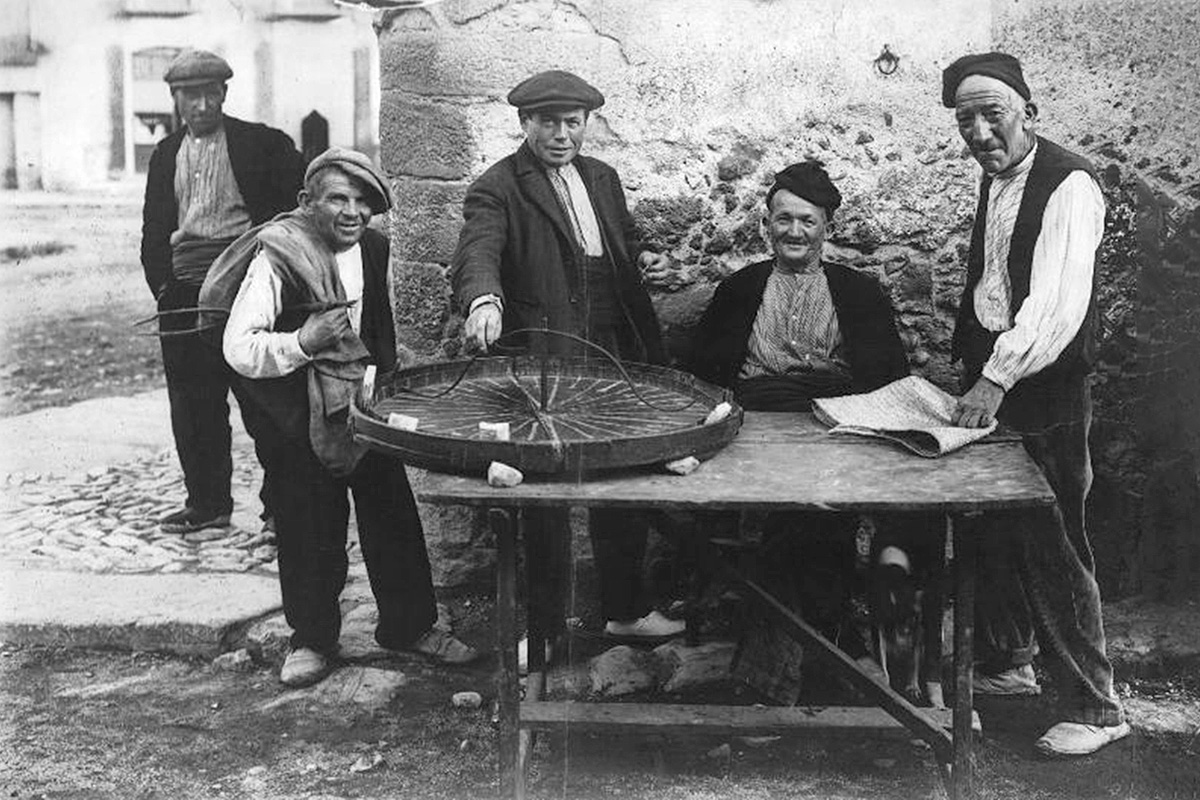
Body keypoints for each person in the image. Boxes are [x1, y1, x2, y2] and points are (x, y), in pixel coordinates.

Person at [211, 147, 479, 687]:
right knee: (307, 521)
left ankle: (409, 626)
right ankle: (311, 638)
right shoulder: (279, 255)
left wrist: (381, 384)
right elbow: (238, 347)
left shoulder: (374, 247)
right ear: (308, 202)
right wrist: (303, 342)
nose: (352, 211)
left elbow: (376, 326)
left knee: (391, 513)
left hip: (361, 405)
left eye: (363, 201)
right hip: (296, 414)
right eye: (337, 198)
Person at [450, 70, 685, 668]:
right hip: (547, 362)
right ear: (525, 124)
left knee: (622, 476)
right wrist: (483, 300)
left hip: (612, 349)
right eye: (548, 122)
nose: (560, 134)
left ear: (586, 124)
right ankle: (548, 631)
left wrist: (645, 261)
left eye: (572, 123)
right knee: (547, 496)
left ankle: (625, 610)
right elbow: (478, 252)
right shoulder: (498, 187)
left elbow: (622, 245)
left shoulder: (602, 178)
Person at [943, 51, 1129, 756]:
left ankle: (1097, 706)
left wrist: (995, 376)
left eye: (995, 114)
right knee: (994, 532)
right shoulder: (997, 180)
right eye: (967, 120)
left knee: (1052, 542)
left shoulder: (1069, 183)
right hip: (995, 377)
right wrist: (976, 366)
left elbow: (1054, 307)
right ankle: (1009, 664)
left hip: (1042, 388)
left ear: (1030, 113)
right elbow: (996, 282)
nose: (982, 133)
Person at [688, 162, 920, 704]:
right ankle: (837, 646)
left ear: (827, 228)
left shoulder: (857, 293)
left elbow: (889, 379)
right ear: (766, 225)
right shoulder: (740, 289)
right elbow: (702, 376)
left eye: (807, 222)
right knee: (800, 515)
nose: (795, 232)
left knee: (811, 514)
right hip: (756, 423)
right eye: (784, 219)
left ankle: (770, 673)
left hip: (837, 419)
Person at [141, 49, 303, 535]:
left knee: (264, 400)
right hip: (184, 293)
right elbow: (153, 230)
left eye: (211, 94)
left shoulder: (262, 146)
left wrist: (270, 287)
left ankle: (283, 506)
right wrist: (165, 287)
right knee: (193, 406)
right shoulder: (166, 154)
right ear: (176, 100)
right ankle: (208, 502)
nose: (202, 106)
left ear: (224, 94)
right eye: (191, 96)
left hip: (245, 288)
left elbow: (289, 217)